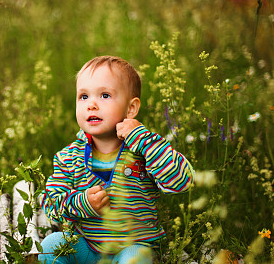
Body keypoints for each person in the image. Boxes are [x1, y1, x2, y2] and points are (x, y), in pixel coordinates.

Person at [38, 56, 195, 264]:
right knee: (51, 245)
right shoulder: (69, 157)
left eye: (104, 95)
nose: (91, 105)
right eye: (83, 97)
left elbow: (183, 180)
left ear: (130, 109)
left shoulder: (144, 149)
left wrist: (143, 139)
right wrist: (83, 202)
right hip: (88, 249)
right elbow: (51, 204)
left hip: (132, 248)